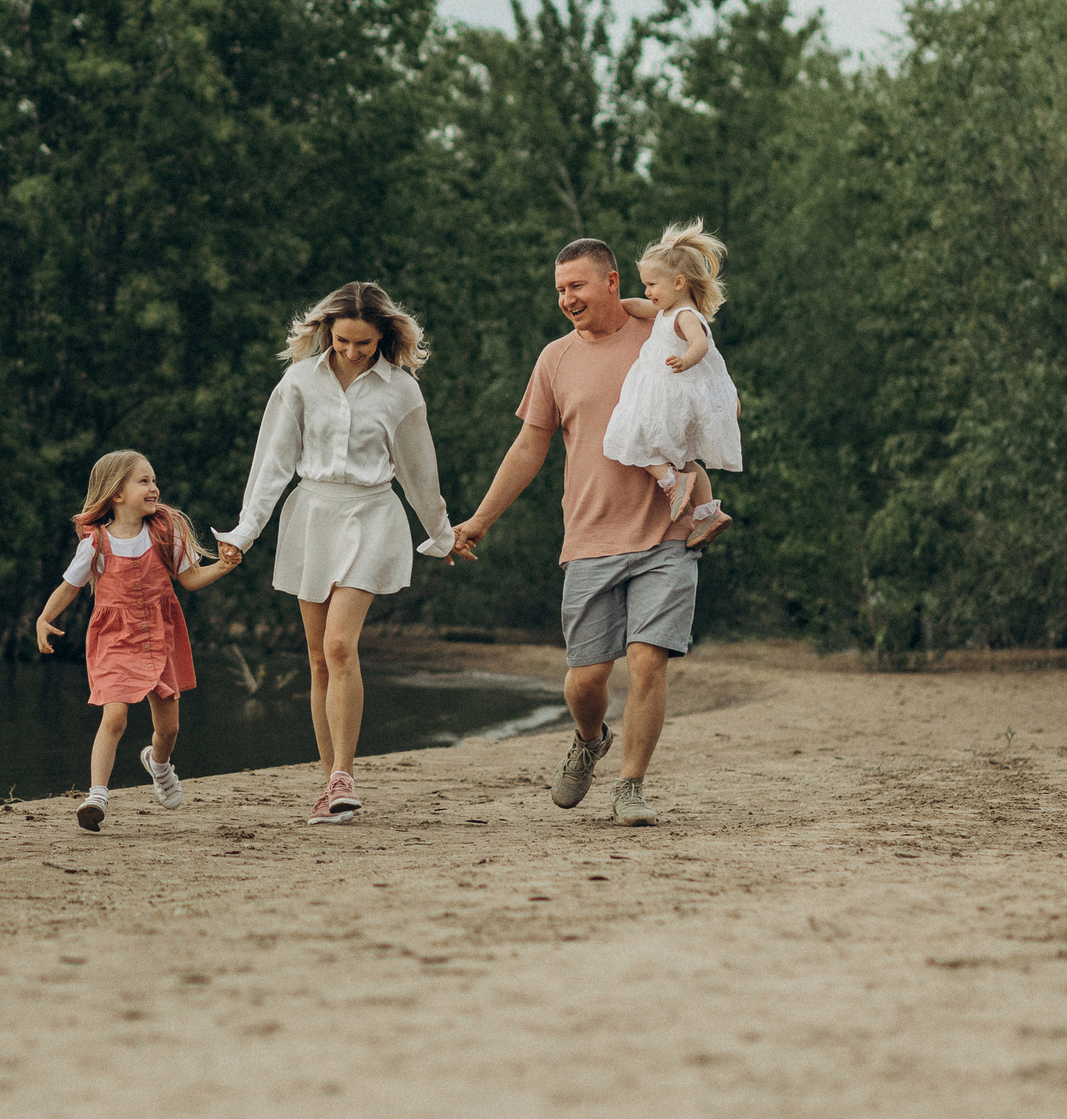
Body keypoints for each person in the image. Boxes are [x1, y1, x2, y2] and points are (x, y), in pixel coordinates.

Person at [452, 239, 733, 828]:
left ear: (610, 283)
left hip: (666, 532)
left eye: (576, 286)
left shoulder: (659, 332)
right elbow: (529, 447)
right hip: (589, 536)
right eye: (559, 290)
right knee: (585, 679)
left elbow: (709, 385)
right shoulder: (554, 359)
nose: (566, 298)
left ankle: (631, 787)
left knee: (648, 659)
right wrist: (480, 519)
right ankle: (589, 738)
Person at [213, 282, 464, 827]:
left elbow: (420, 471)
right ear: (327, 330)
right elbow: (272, 463)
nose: (354, 351)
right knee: (318, 658)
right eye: (346, 340)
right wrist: (244, 532)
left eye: (366, 344)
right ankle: (332, 787)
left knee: (340, 645)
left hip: (373, 515)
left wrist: (442, 533)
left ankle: (344, 774)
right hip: (311, 517)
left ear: (383, 338)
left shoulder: (402, 391)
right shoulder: (299, 382)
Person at [36, 450, 243, 831]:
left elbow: (191, 579)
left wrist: (224, 564)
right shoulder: (95, 544)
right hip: (115, 639)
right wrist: (44, 619)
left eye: (153, 480)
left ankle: (160, 765)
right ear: (116, 493)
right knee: (114, 716)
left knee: (168, 730)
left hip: (160, 636)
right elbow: (69, 587)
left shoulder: (166, 533)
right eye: (143, 481)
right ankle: (97, 795)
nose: (154, 488)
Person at [604, 220, 741, 542]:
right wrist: (609, 306)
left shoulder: (685, 315)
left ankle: (670, 482)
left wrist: (686, 359)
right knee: (686, 459)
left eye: (652, 285)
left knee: (633, 436)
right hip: (673, 394)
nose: (648, 292)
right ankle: (709, 513)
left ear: (679, 282)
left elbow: (701, 343)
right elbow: (639, 306)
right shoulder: (667, 309)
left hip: (673, 394)